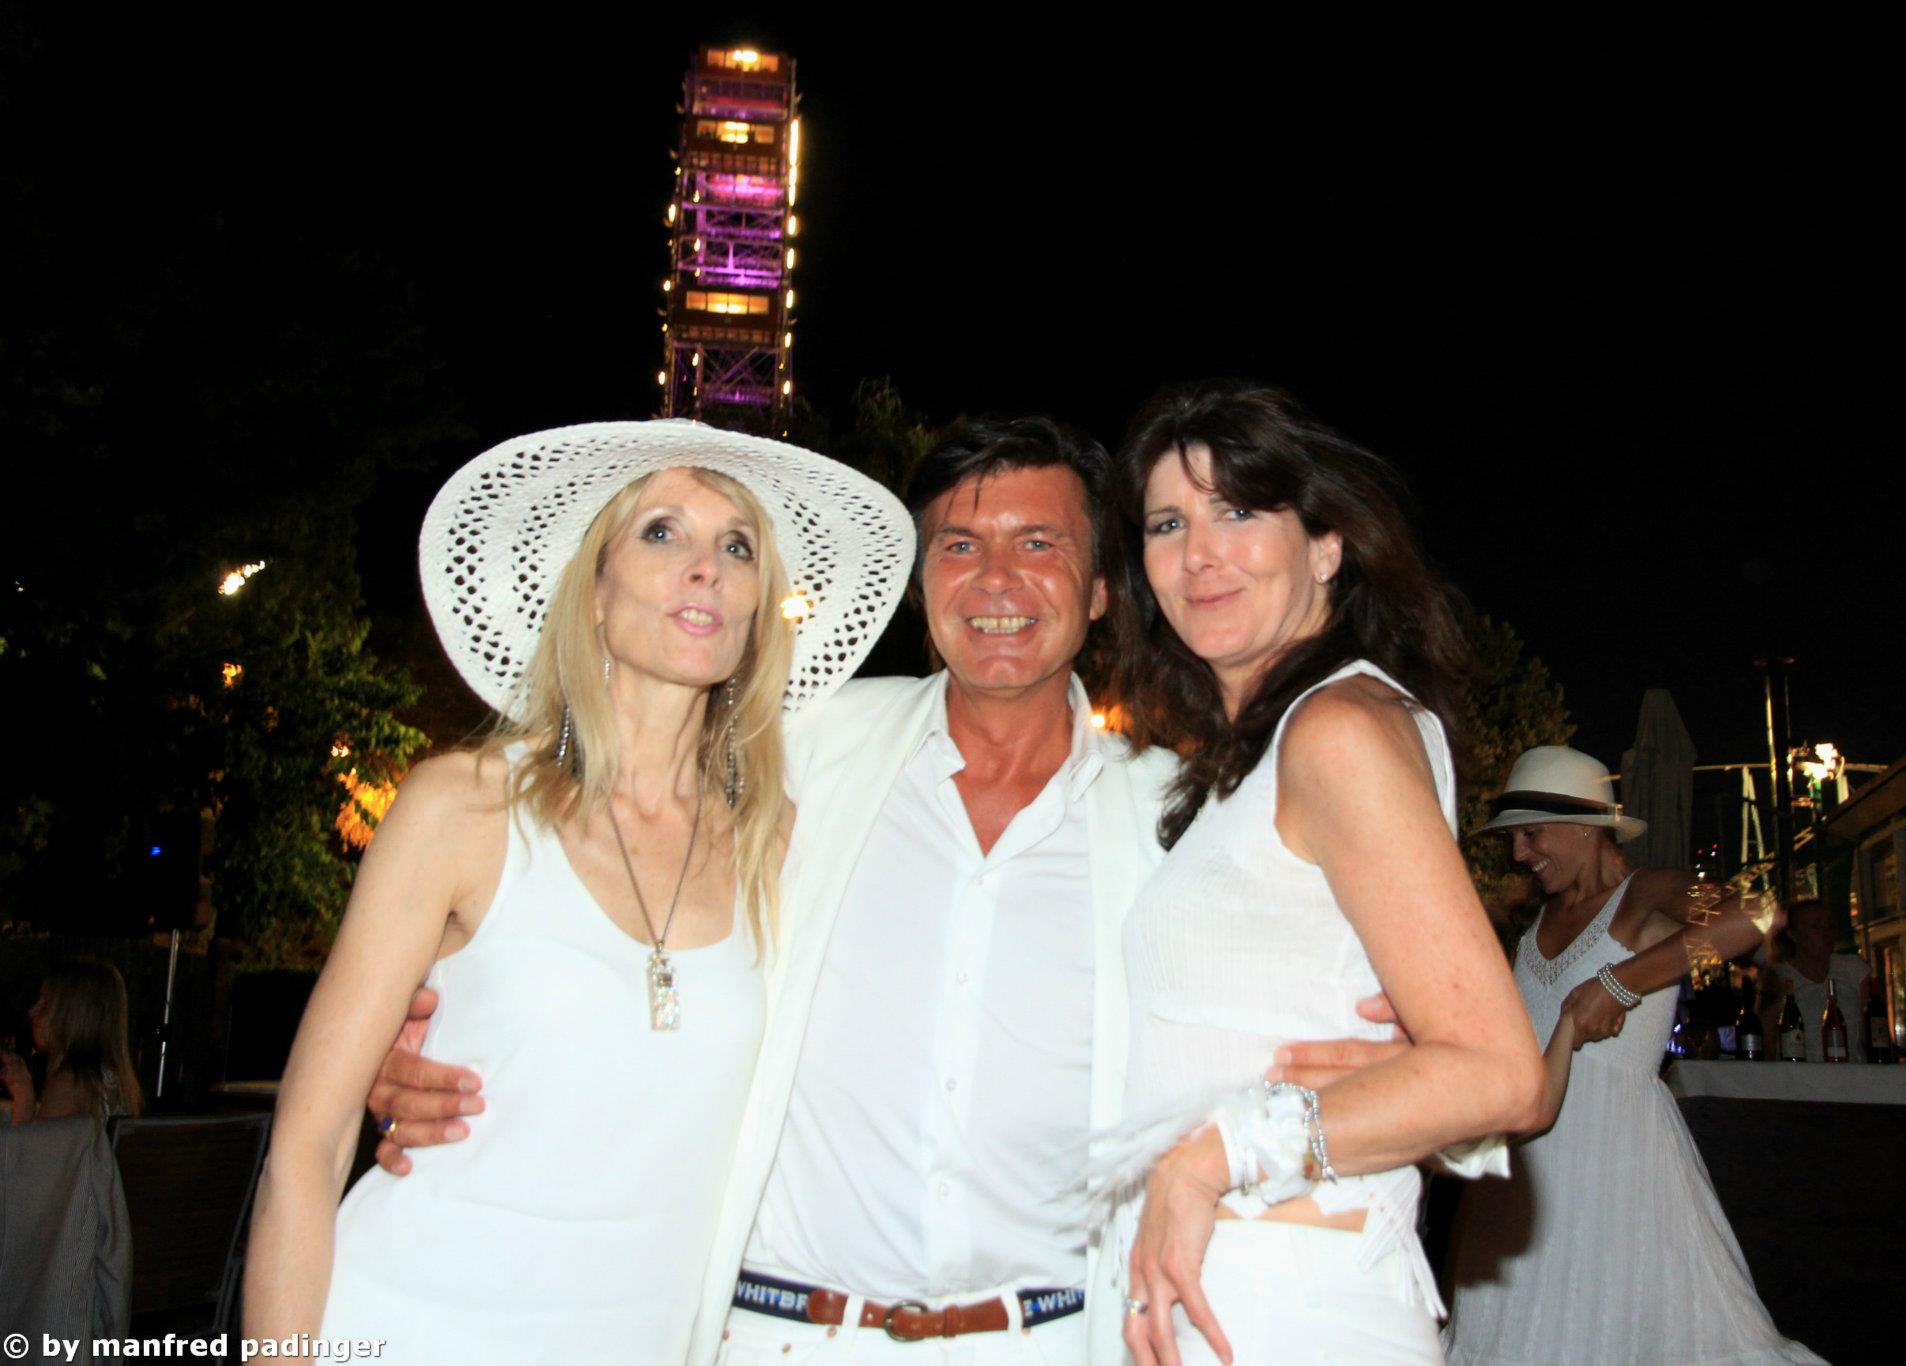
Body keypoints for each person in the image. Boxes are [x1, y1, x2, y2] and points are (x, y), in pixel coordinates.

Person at [372, 415, 1423, 1366]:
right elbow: (590, 887)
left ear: (1102, 591)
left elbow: (1309, 1012)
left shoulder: (1175, 820)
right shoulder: (794, 754)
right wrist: (432, 1028)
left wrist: (1402, 1079)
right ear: (922, 586)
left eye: (1039, 544)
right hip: (779, 1335)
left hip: (1054, 1340)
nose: (995, 580)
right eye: (959, 546)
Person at [243, 421, 912, 1366]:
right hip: (409, 1320)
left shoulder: (780, 845)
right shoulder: (465, 807)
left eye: (737, 548)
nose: (706, 567)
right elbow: (307, 1145)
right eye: (661, 532)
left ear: (760, 609)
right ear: (592, 594)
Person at [1103, 381, 1543, 1366]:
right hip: (1225, 1288)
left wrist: (1210, 1158)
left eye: (1237, 511)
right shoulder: (1258, 757)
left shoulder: (1336, 730)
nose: (1197, 553)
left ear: (1326, 546)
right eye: (1167, 523)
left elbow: (1501, 1074)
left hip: (1285, 1298)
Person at [1442, 745, 1822, 1366]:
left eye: (1531, 834)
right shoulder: (1535, 922)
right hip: (1525, 1176)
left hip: (1617, 1166)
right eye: (1514, 838)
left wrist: (1622, 982)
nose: (1518, 854)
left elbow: (1755, 917)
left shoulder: (1645, 894)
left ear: (1585, 826)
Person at [1, 959, 143, 1124]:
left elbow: (32, 1141)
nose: (32, 1012)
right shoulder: (111, 1079)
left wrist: (23, 1094)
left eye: (45, 1005)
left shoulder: (70, 1084)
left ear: (71, 1017)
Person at [1760, 899, 1871, 1061]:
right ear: (1793, 935)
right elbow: (1766, 1037)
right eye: (1816, 926)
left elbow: (1871, 1028)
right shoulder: (1778, 976)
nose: (1826, 933)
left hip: (1852, 1070)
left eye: (1830, 926)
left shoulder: (1853, 969)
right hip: (1800, 1072)